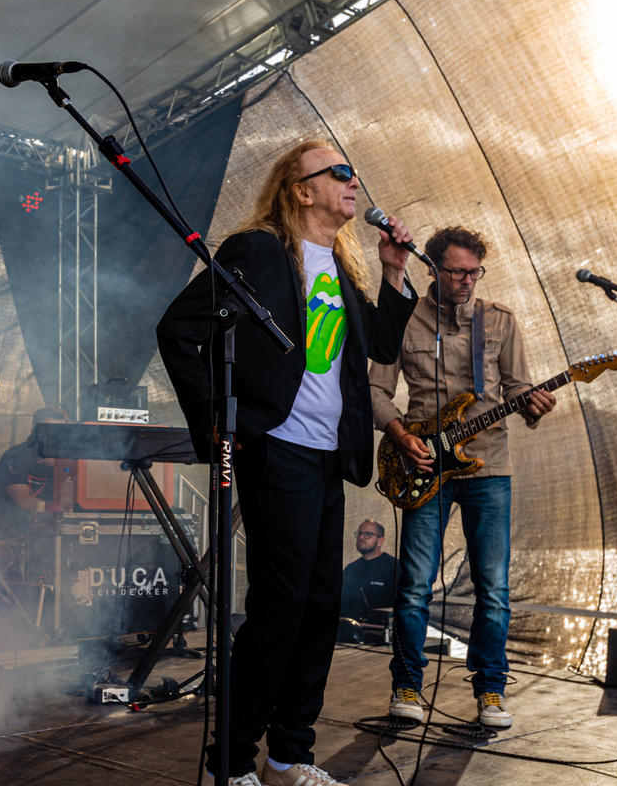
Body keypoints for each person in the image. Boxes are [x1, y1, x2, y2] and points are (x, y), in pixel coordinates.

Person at [157, 140, 419, 786]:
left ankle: (290, 755)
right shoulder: (259, 252)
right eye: (340, 173)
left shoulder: (347, 265)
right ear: (301, 190)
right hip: (276, 448)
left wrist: (393, 270)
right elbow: (178, 330)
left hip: (329, 457)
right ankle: (233, 760)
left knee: (320, 606)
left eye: (354, 171)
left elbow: (380, 345)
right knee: (280, 606)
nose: (354, 181)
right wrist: (222, 421)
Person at [369, 226, 555, 730]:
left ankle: (490, 692)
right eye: (456, 271)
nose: (467, 280)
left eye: (474, 271)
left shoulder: (499, 321)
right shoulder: (403, 318)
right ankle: (407, 684)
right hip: (422, 464)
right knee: (413, 586)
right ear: (432, 268)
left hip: (488, 467)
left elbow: (518, 388)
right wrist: (401, 434)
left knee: (492, 588)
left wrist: (535, 404)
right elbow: (375, 389)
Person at [0, 406, 68, 539]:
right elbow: (23, 501)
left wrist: (60, 466)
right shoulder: (15, 456)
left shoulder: (63, 459)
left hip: (51, 529)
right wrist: (60, 511)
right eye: (49, 429)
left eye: (59, 431)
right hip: (12, 531)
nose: (55, 435)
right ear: (34, 429)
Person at [340, 520, 397, 622]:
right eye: (359, 533)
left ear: (380, 541)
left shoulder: (394, 567)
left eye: (368, 534)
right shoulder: (350, 569)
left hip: (383, 633)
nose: (361, 537)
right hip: (352, 633)